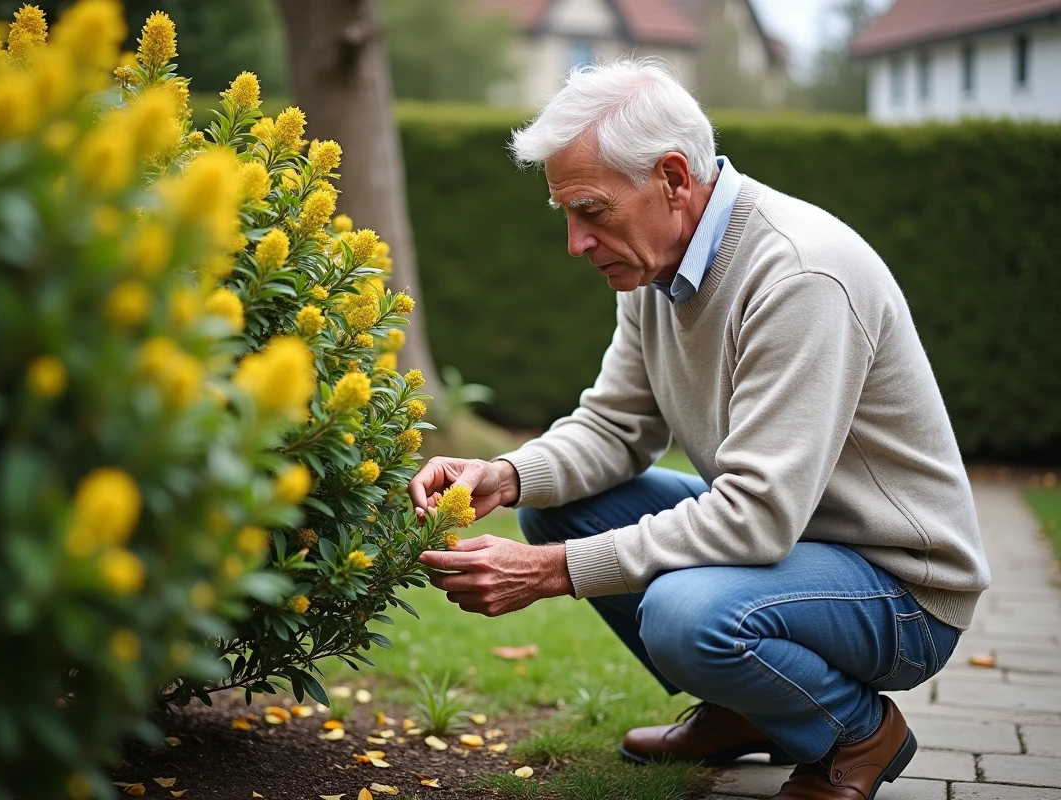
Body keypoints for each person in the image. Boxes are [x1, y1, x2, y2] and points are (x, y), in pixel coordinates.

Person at [407, 58, 989, 800]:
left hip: (901, 589)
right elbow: (615, 428)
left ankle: (858, 733)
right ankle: (748, 711)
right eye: (566, 215)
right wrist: (505, 474)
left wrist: (552, 570)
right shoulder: (655, 269)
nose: (575, 243)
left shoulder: (800, 275)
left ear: (675, 180)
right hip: (794, 549)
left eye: (591, 210)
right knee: (552, 505)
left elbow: (755, 517)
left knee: (685, 615)